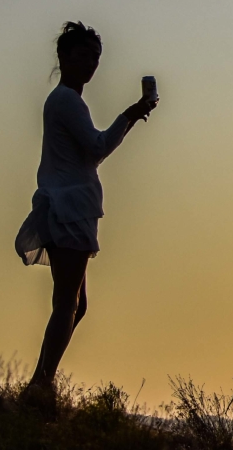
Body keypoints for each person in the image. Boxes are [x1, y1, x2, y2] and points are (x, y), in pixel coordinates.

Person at [17, 21, 156, 401]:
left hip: (69, 207)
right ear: (64, 57)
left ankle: (40, 379)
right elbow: (96, 148)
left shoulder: (67, 101)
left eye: (96, 57)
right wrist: (129, 115)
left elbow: (89, 151)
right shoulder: (65, 100)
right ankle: (40, 384)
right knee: (68, 303)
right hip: (69, 209)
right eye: (83, 55)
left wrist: (130, 117)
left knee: (75, 306)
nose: (91, 64)